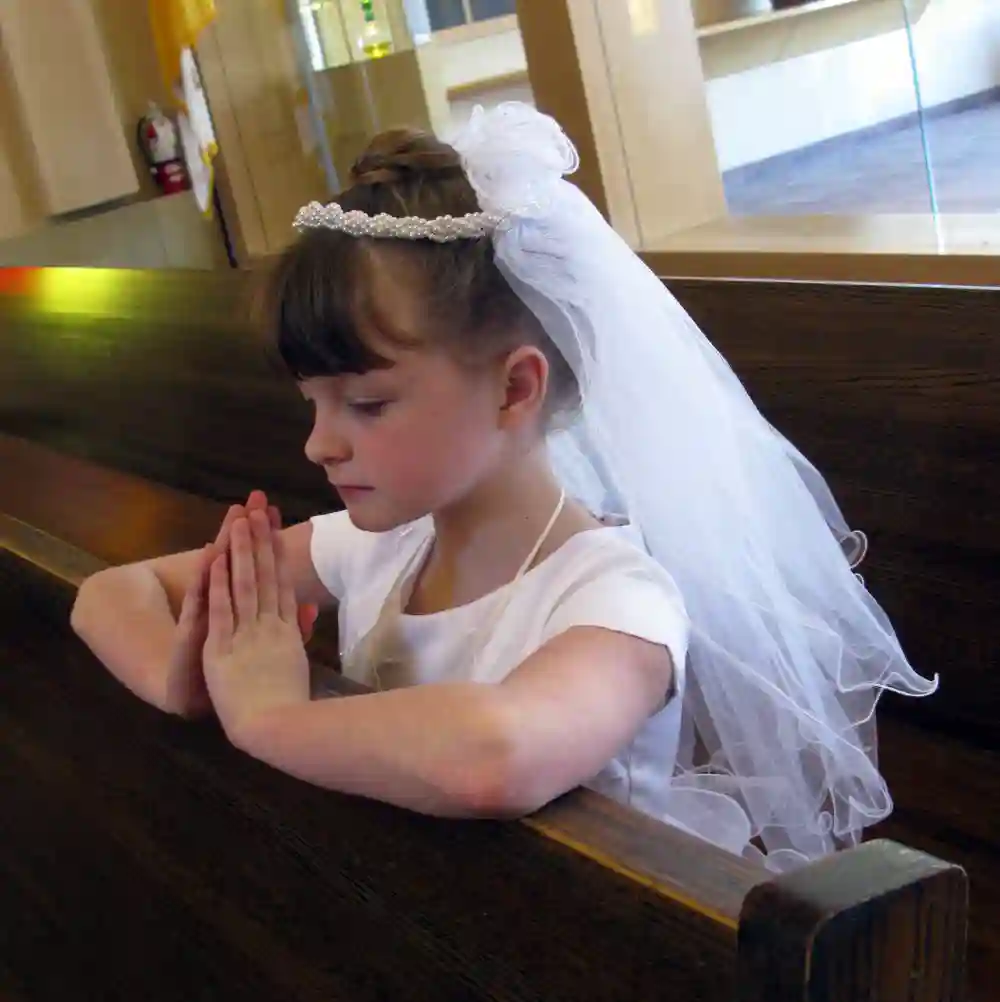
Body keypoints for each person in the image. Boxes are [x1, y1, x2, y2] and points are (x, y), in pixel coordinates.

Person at [71, 103, 937, 872]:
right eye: (313, 403)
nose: (318, 444)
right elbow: (111, 595)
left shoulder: (619, 604)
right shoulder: (377, 544)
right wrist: (184, 681)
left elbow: (497, 756)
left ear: (514, 389)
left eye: (366, 403)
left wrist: (267, 719)